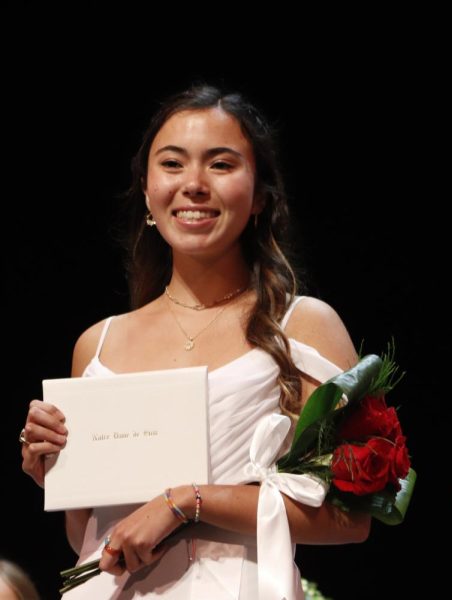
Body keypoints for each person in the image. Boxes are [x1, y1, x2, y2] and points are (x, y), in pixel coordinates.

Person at [19, 84, 370, 598]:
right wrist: (54, 475)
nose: (194, 185)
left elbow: (349, 519)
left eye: (221, 165)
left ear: (261, 197)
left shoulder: (301, 325)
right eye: (173, 164)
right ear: (146, 191)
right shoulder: (96, 345)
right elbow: (87, 538)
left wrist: (186, 501)